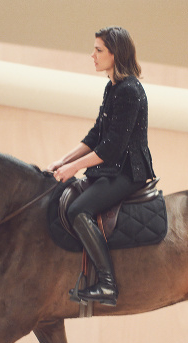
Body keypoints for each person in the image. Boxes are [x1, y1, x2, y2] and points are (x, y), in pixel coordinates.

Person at [48, 26, 155, 307]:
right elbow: (97, 135)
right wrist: (64, 160)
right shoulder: (113, 87)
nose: (92, 55)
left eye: (98, 50)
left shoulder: (130, 90)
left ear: (114, 54)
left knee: (78, 210)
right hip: (112, 168)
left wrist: (73, 169)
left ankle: (107, 284)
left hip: (128, 171)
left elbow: (111, 148)